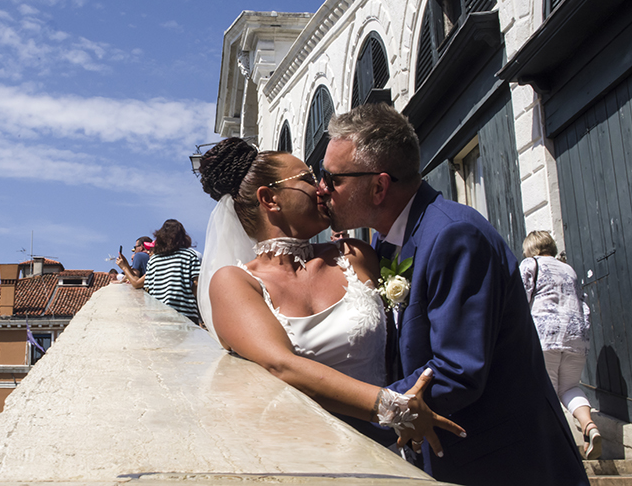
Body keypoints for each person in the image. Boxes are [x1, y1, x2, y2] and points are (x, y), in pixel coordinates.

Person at [319, 103, 588, 486]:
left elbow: (457, 371)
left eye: (332, 178)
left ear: (378, 186)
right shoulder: (387, 240)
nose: (321, 188)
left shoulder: (454, 235)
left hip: (508, 464)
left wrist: (344, 414)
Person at [197, 137, 464, 454]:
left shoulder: (355, 255)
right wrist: (393, 408)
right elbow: (280, 364)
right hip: (308, 454)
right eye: (308, 179)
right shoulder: (234, 282)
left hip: (395, 446)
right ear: (269, 199)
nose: (322, 188)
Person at [521, 230, 600, 459]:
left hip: (546, 336)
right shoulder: (569, 270)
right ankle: (589, 426)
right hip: (576, 336)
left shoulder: (530, 264)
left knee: (545, 392)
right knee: (570, 388)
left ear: (530, 248)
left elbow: (520, 300)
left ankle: (553, 450)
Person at [117, 220, 202, 324]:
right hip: (186, 315)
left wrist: (125, 267)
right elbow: (197, 284)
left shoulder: (154, 260)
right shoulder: (189, 255)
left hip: (159, 316)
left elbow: (147, 288)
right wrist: (187, 296)